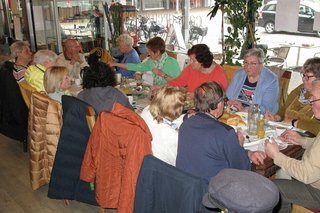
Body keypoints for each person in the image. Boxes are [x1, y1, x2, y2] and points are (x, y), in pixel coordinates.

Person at [176, 81, 266, 182]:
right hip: (211, 193)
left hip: (186, 188)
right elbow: (243, 169)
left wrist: (248, 153)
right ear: (219, 104)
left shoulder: (186, 125)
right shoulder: (225, 133)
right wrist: (239, 145)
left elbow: (212, 152)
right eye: (224, 101)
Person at [264, 79, 320, 212]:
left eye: (314, 99)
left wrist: (276, 155)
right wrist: (302, 141)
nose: (311, 103)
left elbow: (306, 174)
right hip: (314, 177)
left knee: (270, 188)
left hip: (316, 190)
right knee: (284, 172)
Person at [265, 57, 320, 135]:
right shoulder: (300, 90)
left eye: (307, 76)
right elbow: (284, 109)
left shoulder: (318, 101)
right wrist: (276, 118)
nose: (303, 79)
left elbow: (317, 129)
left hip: (306, 141)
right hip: (286, 134)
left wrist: (294, 122)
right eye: (303, 75)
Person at [140, 86, 186, 166]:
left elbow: (167, 118)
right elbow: (177, 162)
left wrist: (185, 117)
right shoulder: (172, 136)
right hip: (162, 169)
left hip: (143, 159)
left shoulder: (147, 110)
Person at [109, 36, 181, 85]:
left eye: (149, 51)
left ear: (157, 52)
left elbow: (179, 83)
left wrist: (162, 74)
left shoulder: (172, 63)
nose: (148, 53)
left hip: (171, 94)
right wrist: (115, 64)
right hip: (157, 91)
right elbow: (135, 66)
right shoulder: (152, 62)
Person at [226, 48, 279, 114]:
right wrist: (230, 103)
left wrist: (244, 109)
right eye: (246, 62)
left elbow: (266, 109)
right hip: (234, 112)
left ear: (261, 64)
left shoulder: (271, 80)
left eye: (253, 63)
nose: (248, 66)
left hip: (257, 117)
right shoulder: (239, 74)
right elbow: (228, 97)